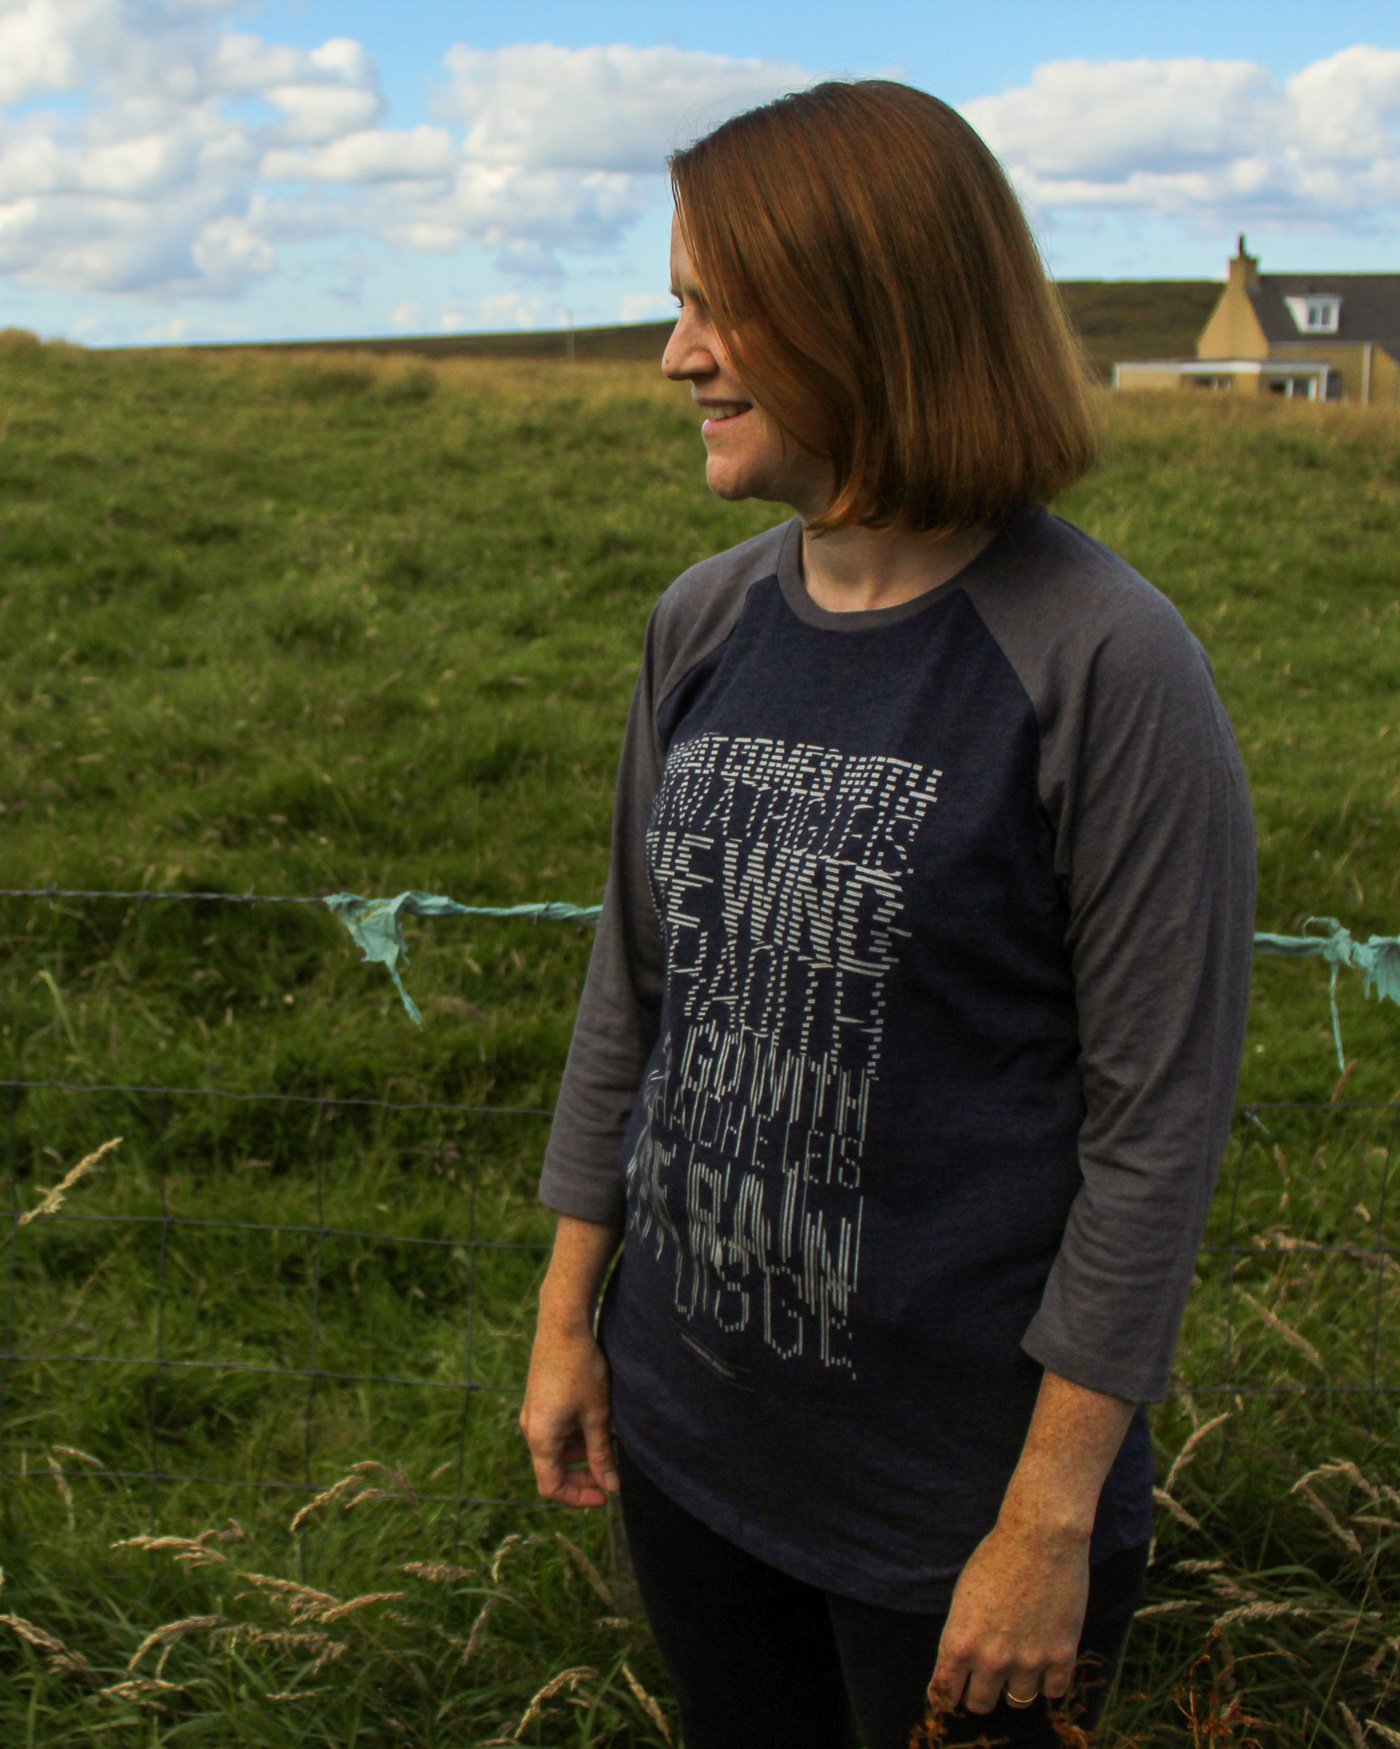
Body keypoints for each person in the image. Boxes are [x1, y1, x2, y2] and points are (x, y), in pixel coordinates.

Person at [520, 79, 1256, 1749]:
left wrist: (1047, 1522)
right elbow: (631, 991)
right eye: (678, 303)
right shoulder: (700, 623)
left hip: (957, 1509)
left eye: (719, 305)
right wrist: (572, 1322)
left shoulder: (1106, 665)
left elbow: (1158, 1132)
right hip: (695, 1439)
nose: (677, 354)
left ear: (871, 310)